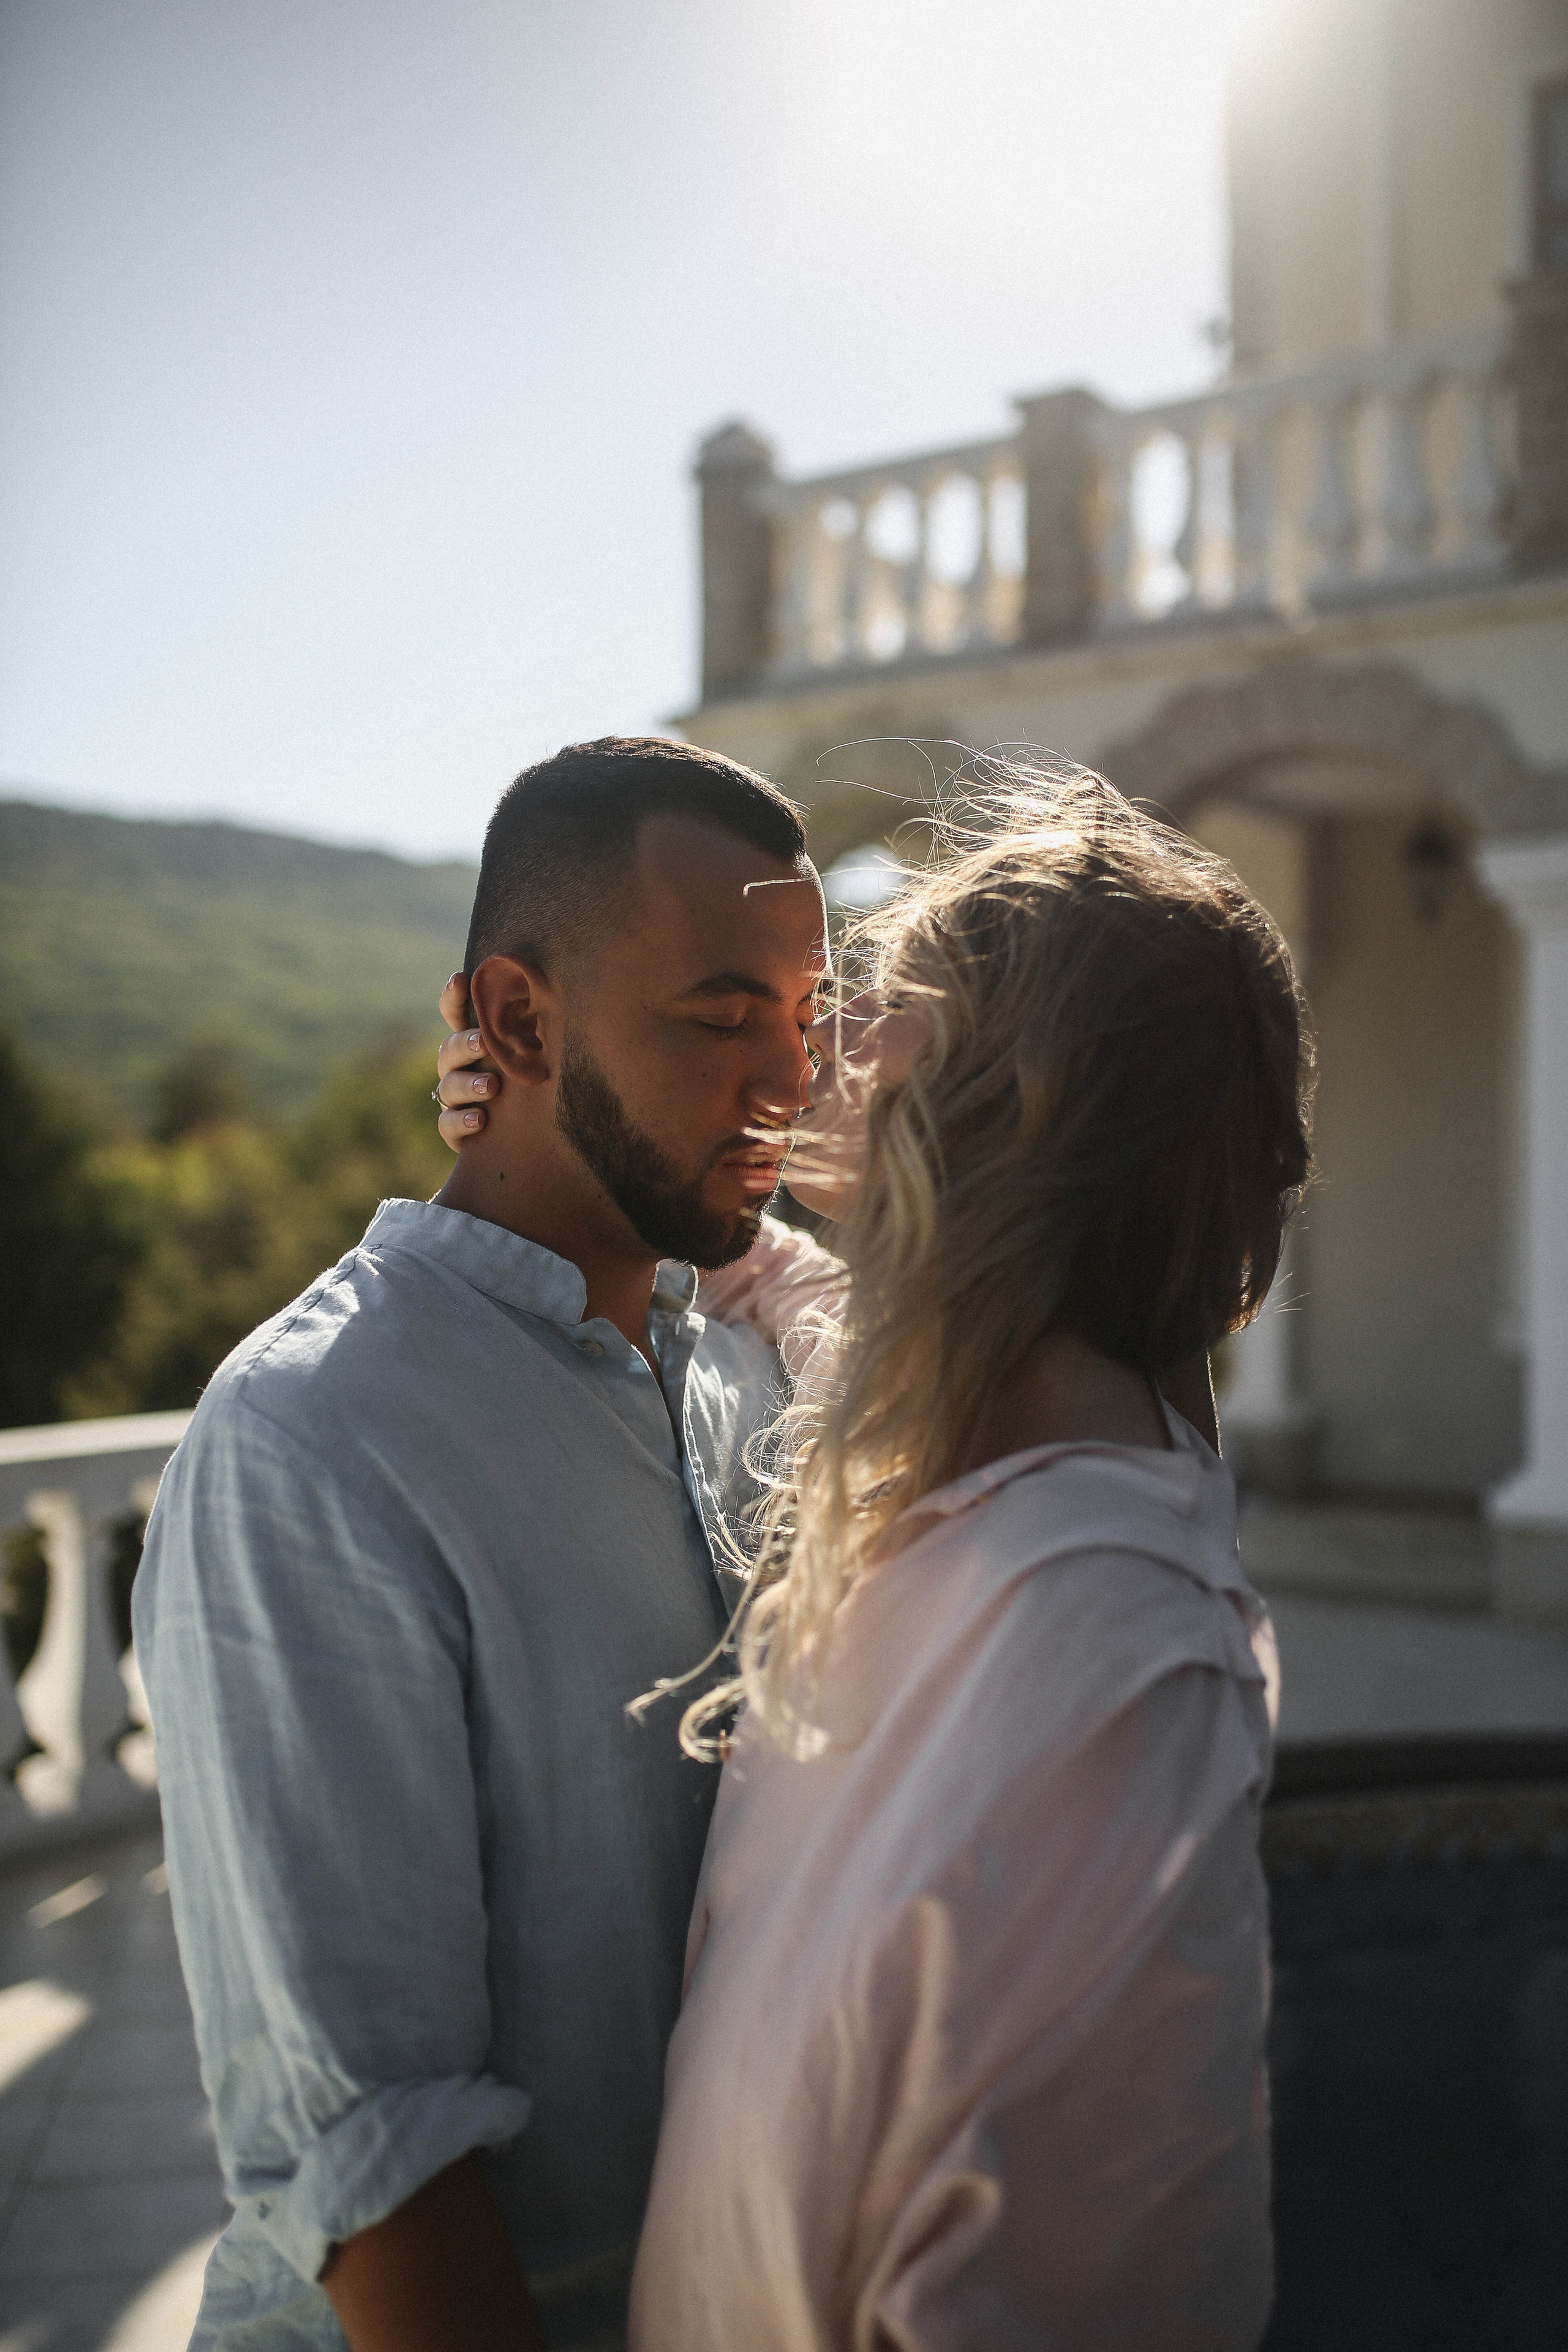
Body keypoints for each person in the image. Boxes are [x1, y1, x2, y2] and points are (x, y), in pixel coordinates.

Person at [132, 737, 832, 2352]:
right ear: (517, 1019)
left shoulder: (737, 1359)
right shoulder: (311, 1441)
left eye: (811, 1024)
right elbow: (378, 2173)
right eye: (726, 1019)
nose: (786, 1083)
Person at [622, 765, 1309, 2350]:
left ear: (1024, 1097)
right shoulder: (992, 1473)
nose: (824, 1035)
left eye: (886, 990)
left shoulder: (1113, 1659)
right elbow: (813, 1302)